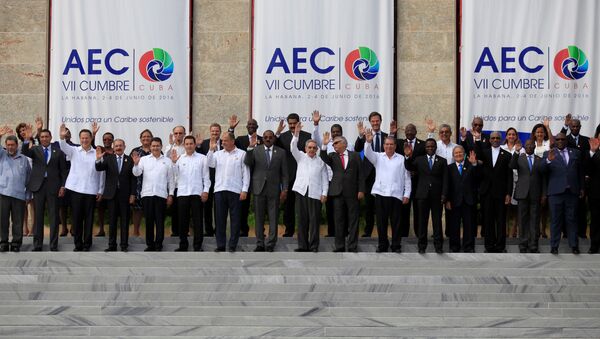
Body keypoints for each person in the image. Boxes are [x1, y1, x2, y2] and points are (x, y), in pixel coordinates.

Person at [20, 125, 68, 251]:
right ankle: (38, 245)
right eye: (42, 137)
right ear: (39, 138)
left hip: (54, 187)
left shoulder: (58, 151)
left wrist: (63, 186)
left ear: (51, 137)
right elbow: (24, 152)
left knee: (53, 217)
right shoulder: (35, 150)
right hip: (38, 187)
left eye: (47, 136)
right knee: (38, 216)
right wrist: (27, 139)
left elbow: (63, 171)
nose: (44, 139)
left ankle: (53, 245)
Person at [364, 129, 411, 253]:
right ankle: (382, 245)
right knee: (381, 222)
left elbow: (407, 178)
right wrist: (368, 142)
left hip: (396, 194)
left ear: (395, 146)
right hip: (381, 193)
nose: (389, 146)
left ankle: (396, 245)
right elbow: (368, 153)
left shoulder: (401, 159)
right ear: (383, 146)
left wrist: (407, 194)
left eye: (391, 144)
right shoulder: (378, 157)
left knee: (396, 222)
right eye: (387, 144)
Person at [59, 124, 105, 252]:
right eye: (82, 138)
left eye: (87, 138)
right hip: (76, 190)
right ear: (80, 139)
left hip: (91, 190)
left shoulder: (97, 152)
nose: (84, 140)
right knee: (77, 218)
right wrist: (62, 137)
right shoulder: (74, 151)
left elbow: (101, 173)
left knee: (89, 219)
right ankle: (78, 244)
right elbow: (63, 146)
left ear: (91, 139)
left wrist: (100, 190)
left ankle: (87, 244)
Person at [245, 130, 288, 252]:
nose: (268, 139)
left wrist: (285, 189)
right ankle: (260, 243)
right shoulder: (256, 150)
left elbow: (284, 173)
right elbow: (247, 163)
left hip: (274, 190)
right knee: (259, 217)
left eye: (270, 137)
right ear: (262, 138)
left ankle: (271, 243)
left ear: (274, 138)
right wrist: (249, 148)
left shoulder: (281, 152)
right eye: (265, 137)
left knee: (273, 217)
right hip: (259, 188)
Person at [541, 133, 585, 254]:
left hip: (572, 192)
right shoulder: (548, 153)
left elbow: (580, 172)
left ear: (566, 140)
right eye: (558, 139)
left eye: (562, 139)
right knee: (555, 220)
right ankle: (554, 246)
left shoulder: (575, 153)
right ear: (555, 141)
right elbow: (542, 170)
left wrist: (582, 188)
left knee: (572, 219)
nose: (560, 141)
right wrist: (548, 161)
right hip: (555, 193)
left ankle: (574, 245)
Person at [311, 110, 353, 238]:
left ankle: (344, 232)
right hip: (328, 181)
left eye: (337, 132)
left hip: (343, 183)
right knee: (330, 208)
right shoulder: (325, 144)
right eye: (333, 131)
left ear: (341, 133)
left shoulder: (349, 145)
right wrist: (316, 123)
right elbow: (314, 137)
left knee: (343, 209)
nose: (335, 133)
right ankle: (331, 232)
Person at [320, 134, 364, 252]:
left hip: (352, 193)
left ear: (344, 143)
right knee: (339, 220)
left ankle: (352, 246)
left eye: (336, 143)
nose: (334, 145)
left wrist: (361, 190)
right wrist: (324, 145)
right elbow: (323, 156)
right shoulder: (332, 156)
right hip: (337, 193)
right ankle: (339, 246)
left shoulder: (355, 155)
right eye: (333, 144)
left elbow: (361, 174)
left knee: (353, 220)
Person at [207, 132, 249, 252]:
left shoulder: (242, 154)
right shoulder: (218, 154)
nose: (223, 142)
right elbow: (209, 163)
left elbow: (246, 173)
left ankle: (232, 245)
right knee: (220, 219)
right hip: (220, 190)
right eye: (222, 140)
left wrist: (244, 190)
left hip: (236, 190)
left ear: (232, 141)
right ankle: (220, 245)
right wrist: (211, 150)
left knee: (235, 220)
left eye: (225, 140)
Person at [404, 138, 448, 254]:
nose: (430, 148)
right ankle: (422, 246)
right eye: (428, 146)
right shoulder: (419, 160)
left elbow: (445, 180)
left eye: (432, 146)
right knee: (422, 222)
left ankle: (438, 246)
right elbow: (409, 167)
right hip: (422, 195)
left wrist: (444, 194)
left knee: (437, 222)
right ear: (425, 148)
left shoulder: (442, 161)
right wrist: (408, 156)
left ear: (435, 147)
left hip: (437, 196)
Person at [290, 123, 328, 252]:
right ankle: (302, 246)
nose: (311, 149)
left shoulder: (321, 161)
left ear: (317, 149)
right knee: (302, 220)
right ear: (305, 148)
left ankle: (313, 246)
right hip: (301, 192)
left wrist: (325, 193)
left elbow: (325, 179)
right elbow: (292, 147)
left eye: (314, 148)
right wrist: (296, 134)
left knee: (314, 221)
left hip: (315, 194)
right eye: (309, 147)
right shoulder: (300, 156)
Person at [132, 137, 175, 252]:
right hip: (147, 195)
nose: (155, 148)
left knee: (160, 221)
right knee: (149, 221)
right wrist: (136, 164)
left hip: (161, 195)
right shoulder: (144, 160)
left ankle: (159, 244)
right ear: (150, 147)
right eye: (153, 146)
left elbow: (171, 180)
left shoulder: (167, 161)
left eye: (157, 145)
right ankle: (150, 244)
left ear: (161, 146)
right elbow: (137, 173)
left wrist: (170, 195)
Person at [95, 139, 136, 252]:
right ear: (113, 147)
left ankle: (124, 245)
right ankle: (112, 245)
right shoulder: (109, 159)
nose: (118, 147)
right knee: (112, 221)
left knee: (124, 221)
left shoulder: (130, 160)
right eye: (116, 146)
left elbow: (133, 179)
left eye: (120, 146)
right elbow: (99, 168)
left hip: (125, 195)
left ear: (124, 146)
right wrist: (98, 159)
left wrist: (133, 194)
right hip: (111, 195)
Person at [170, 135, 210, 252]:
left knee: (198, 221)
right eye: (186, 144)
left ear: (194, 144)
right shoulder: (179, 159)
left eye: (191, 143)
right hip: (182, 193)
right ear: (184, 145)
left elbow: (206, 177)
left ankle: (197, 246)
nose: (189, 146)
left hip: (197, 193)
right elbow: (175, 175)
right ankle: (183, 245)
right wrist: (173, 163)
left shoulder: (202, 158)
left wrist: (206, 191)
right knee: (182, 220)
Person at [476, 131, 513, 253]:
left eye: (498, 138)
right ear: (490, 140)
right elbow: (475, 154)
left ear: (501, 140)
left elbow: (509, 177)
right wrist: (476, 140)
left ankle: (500, 246)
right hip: (486, 192)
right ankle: (489, 246)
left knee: (501, 220)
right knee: (488, 219)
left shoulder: (507, 155)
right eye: (493, 138)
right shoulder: (484, 153)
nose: (495, 140)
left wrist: (508, 193)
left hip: (501, 193)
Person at [275, 113, 312, 237]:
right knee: (288, 206)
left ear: (298, 123)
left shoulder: (307, 136)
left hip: (304, 176)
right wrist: (278, 133)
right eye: (290, 123)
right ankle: (289, 231)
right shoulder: (282, 137)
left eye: (294, 123)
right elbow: (273, 146)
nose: (291, 126)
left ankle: (304, 231)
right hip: (288, 175)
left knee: (304, 206)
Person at [354, 112, 388, 238]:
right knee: (369, 206)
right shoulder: (365, 136)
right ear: (370, 122)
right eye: (372, 121)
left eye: (377, 121)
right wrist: (360, 135)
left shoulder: (386, 137)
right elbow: (357, 149)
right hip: (368, 176)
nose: (375, 123)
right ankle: (368, 232)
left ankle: (382, 232)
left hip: (383, 175)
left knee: (382, 206)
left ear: (380, 121)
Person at [509, 140, 546, 253]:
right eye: (527, 145)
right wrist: (516, 152)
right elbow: (511, 165)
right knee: (522, 219)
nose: (529, 146)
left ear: (534, 146)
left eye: (531, 145)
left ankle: (533, 244)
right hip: (522, 193)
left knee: (535, 220)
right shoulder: (520, 157)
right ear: (525, 146)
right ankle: (523, 244)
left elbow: (543, 179)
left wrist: (544, 194)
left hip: (536, 193)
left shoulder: (540, 160)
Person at [229, 115, 263, 237]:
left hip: (259, 177)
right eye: (249, 125)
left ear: (257, 127)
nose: (251, 127)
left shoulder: (263, 139)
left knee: (259, 206)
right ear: (246, 127)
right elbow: (230, 140)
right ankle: (243, 230)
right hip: (243, 178)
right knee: (243, 206)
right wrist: (231, 129)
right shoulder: (240, 139)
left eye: (253, 125)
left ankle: (261, 232)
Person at [0, 129, 31, 252]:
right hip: (3, 193)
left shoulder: (24, 159)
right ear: (5, 146)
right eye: (8, 145)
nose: (10, 147)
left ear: (17, 146)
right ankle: (3, 242)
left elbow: (28, 177)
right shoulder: (2, 155)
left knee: (17, 221)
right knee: (3, 220)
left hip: (19, 194)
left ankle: (16, 243)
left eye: (12, 145)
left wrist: (28, 194)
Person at [561, 114, 590, 239]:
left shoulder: (586, 140)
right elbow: (557, 140)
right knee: (567, 208)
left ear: (580, 127)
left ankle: (582, 233)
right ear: (570, 127)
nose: (575, 128)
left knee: (581, 207)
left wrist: (587, 174)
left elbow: (589, 159)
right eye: (572, 126)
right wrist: (564, 126)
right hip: (568, 180)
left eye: (577, 126)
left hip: (582, 178)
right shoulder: (564, 140)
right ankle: (567, 234)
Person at [445, 146, 479, 252]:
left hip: (468, 200)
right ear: (453, 155)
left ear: (464, 154)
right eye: (456, 153)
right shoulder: (449, 168)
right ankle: (454, 247)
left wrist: (474, 164)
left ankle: (468, 247)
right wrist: (447, 200)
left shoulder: (471, 165)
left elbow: (478, 178)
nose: (458, 154)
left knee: (469, 225)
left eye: (460, 153)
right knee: (454, 225)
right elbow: (447, 185)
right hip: (454, 201)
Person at [395, 123, 425, 238]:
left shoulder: (422, 145)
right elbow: (389, 145)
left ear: (416, 131)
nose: (409, 132)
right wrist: (392, 133)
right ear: (405, 132)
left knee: (418, 210)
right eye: (407, 130)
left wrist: (416, 171)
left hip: (418, 183)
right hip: (403, 183)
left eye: (412, 130)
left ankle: (419, 235)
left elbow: (424, 161)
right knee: (404, 210)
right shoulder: (399, 143)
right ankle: (403, 235)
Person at [195, 123, 222, 237]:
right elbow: (198, 158)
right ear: (210, 132)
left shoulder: (225, 143)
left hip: (221, 180)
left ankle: (219, 230)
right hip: (207, 180)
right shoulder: (204, 143)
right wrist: (198, 146)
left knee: (219, 207)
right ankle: (209, 231)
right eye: (213, 131)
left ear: (220, 132)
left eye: (217, 131)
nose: (215, 133)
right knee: (207, 206)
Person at [530, 121, 553, 238]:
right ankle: (536, 230)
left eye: (541, 132)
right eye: (537, 132)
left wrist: (548, 128)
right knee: (535, 206)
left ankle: (543, 230)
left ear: (544, 134)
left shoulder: (547, 143)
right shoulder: (530, 144)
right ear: (534, 134)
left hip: (547, 177)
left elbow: (553, 144)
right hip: (534, 179)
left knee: (545, 206)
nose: (539, 134)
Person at [130, 129, 153, 237]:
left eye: (148, 136)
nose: (146, 138)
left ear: (151, 138)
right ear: (140, 139)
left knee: (151, 210)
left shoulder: (156, 150)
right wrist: (132, 191)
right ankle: (135, 232)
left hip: (152, 186)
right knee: (137, 210)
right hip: (138, 185)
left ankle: (150, 233)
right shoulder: (135, 151)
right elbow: (130, 170)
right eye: (143, 136)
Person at [165, 125, 187, 237]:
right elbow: (164, 158)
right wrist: (170, 145)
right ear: (173, 135)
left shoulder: (187, 147)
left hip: (185, 183)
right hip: (173, 183)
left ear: (184, 134)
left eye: (180, 133)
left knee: (184, 209)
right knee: (174, 210)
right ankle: (175, 231)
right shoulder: (170, 148)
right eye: (176, 133)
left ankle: (185, 231)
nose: (178, 135)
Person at [501, 127, 520, 238]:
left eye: (513, 134)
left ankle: (513, 231)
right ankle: (506, 231)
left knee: (516, 209)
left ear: (516, 136)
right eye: (509, 134)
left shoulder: (520, 149)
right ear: (506, 136)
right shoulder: (501, 148)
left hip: (517, 181)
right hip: (505, 181)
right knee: (506, 208)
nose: (511, 136)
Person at [95, 131, 114, 237]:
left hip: (112, 184)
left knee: (112, 210)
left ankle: (112, 230)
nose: (107, 141)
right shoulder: (99, 150)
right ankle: (101, 229)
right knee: (100, 209)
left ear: (112, 140)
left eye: (109, 139)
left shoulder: (115, 151)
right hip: (101, 184)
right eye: (105, 139)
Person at [588, 135, 600, 253]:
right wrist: (592, 152)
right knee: (596, 220)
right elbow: (588, 170)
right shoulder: (594, 152)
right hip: (596, 194)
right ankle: (594, 245)